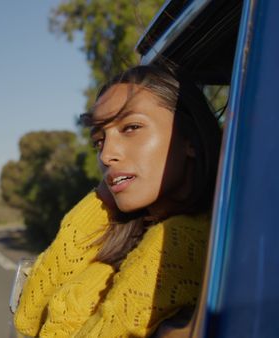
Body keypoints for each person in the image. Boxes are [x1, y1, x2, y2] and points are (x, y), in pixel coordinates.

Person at [13, 64, 222, 337]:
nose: (106, 155)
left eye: (131, 127)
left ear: (189, 139)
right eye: (99, 141)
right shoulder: (127, 232)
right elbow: (27, 316)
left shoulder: (179, 241)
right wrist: (104, 196)